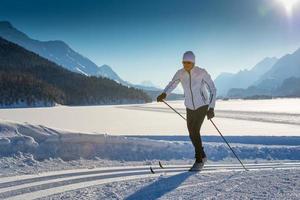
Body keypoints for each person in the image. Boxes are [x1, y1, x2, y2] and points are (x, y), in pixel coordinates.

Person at [157, 51, 217, 171]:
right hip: (189, 106)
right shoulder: (180, 73)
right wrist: (164, 93)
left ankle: (199, 160)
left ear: (193, 62)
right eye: (184, 62)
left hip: (202, 105)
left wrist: (211, 108)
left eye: (188, 62)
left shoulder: (201, 72)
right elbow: (172, 84)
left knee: (195, 130)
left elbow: (213, 89)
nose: (186, 65)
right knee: (191, 133)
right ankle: (203, 155)